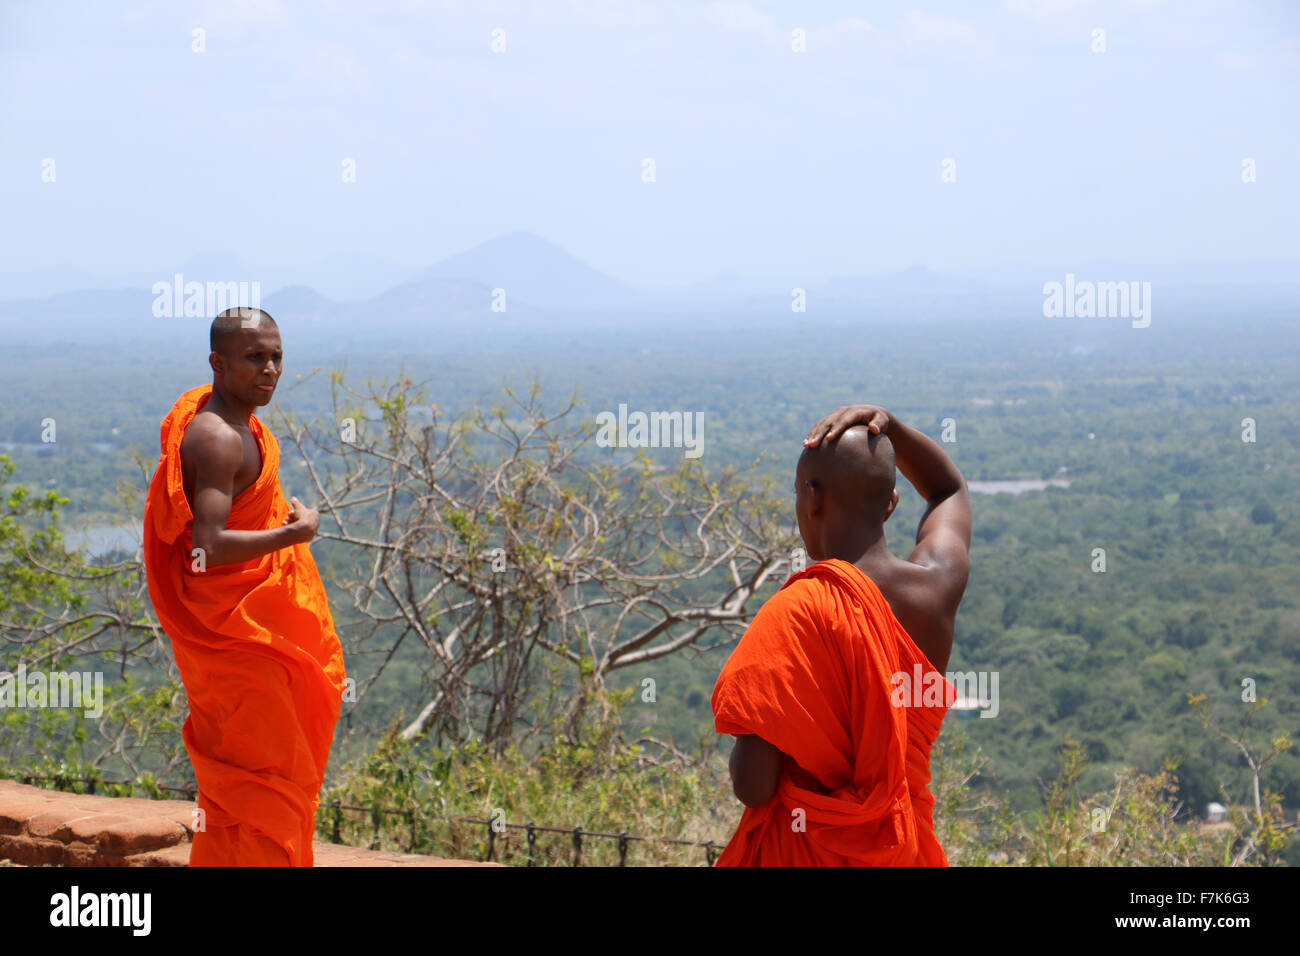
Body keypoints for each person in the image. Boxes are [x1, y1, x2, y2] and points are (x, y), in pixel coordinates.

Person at [711, 403, 971, 866]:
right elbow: (948, 490)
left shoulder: (795, 613)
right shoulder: (936, 588)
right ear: (891, 504)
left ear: (812, 497)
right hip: (903, 849)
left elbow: (752, 787)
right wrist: (890, 423)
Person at [143, 307, 346, 866]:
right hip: (237, 641)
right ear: (218, 362)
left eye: (277, 356)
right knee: (261, 780)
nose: (271, 369)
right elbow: (206, 551)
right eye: (255, 357)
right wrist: (295, 534)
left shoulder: (244, 426)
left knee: (260, 778)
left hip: (250, 633)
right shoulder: (216, 439)